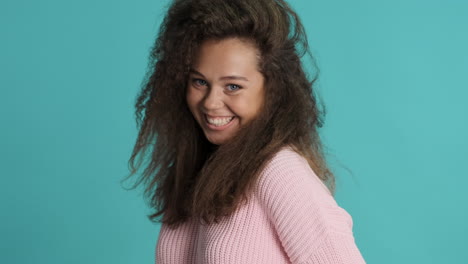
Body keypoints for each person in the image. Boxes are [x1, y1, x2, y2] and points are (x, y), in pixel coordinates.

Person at [123, 0, 366, 263]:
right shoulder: (198, 169)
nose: (210, 102)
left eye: (233, 87)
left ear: (272, 89)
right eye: (200, 81)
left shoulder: (280, 172)